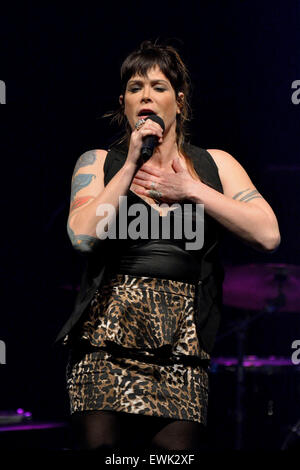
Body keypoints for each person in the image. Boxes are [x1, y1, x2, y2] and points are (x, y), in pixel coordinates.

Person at [55, 40, 281, 452]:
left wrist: (191, 189)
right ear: (123, 103)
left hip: (181, 349)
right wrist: (129, 166)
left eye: (158, 86)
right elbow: (83, 236)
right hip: (104, 348)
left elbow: (267, 235)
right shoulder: (98, 163)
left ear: (179, 101)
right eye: (135, 87)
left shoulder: (216, 164)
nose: (145, 95)